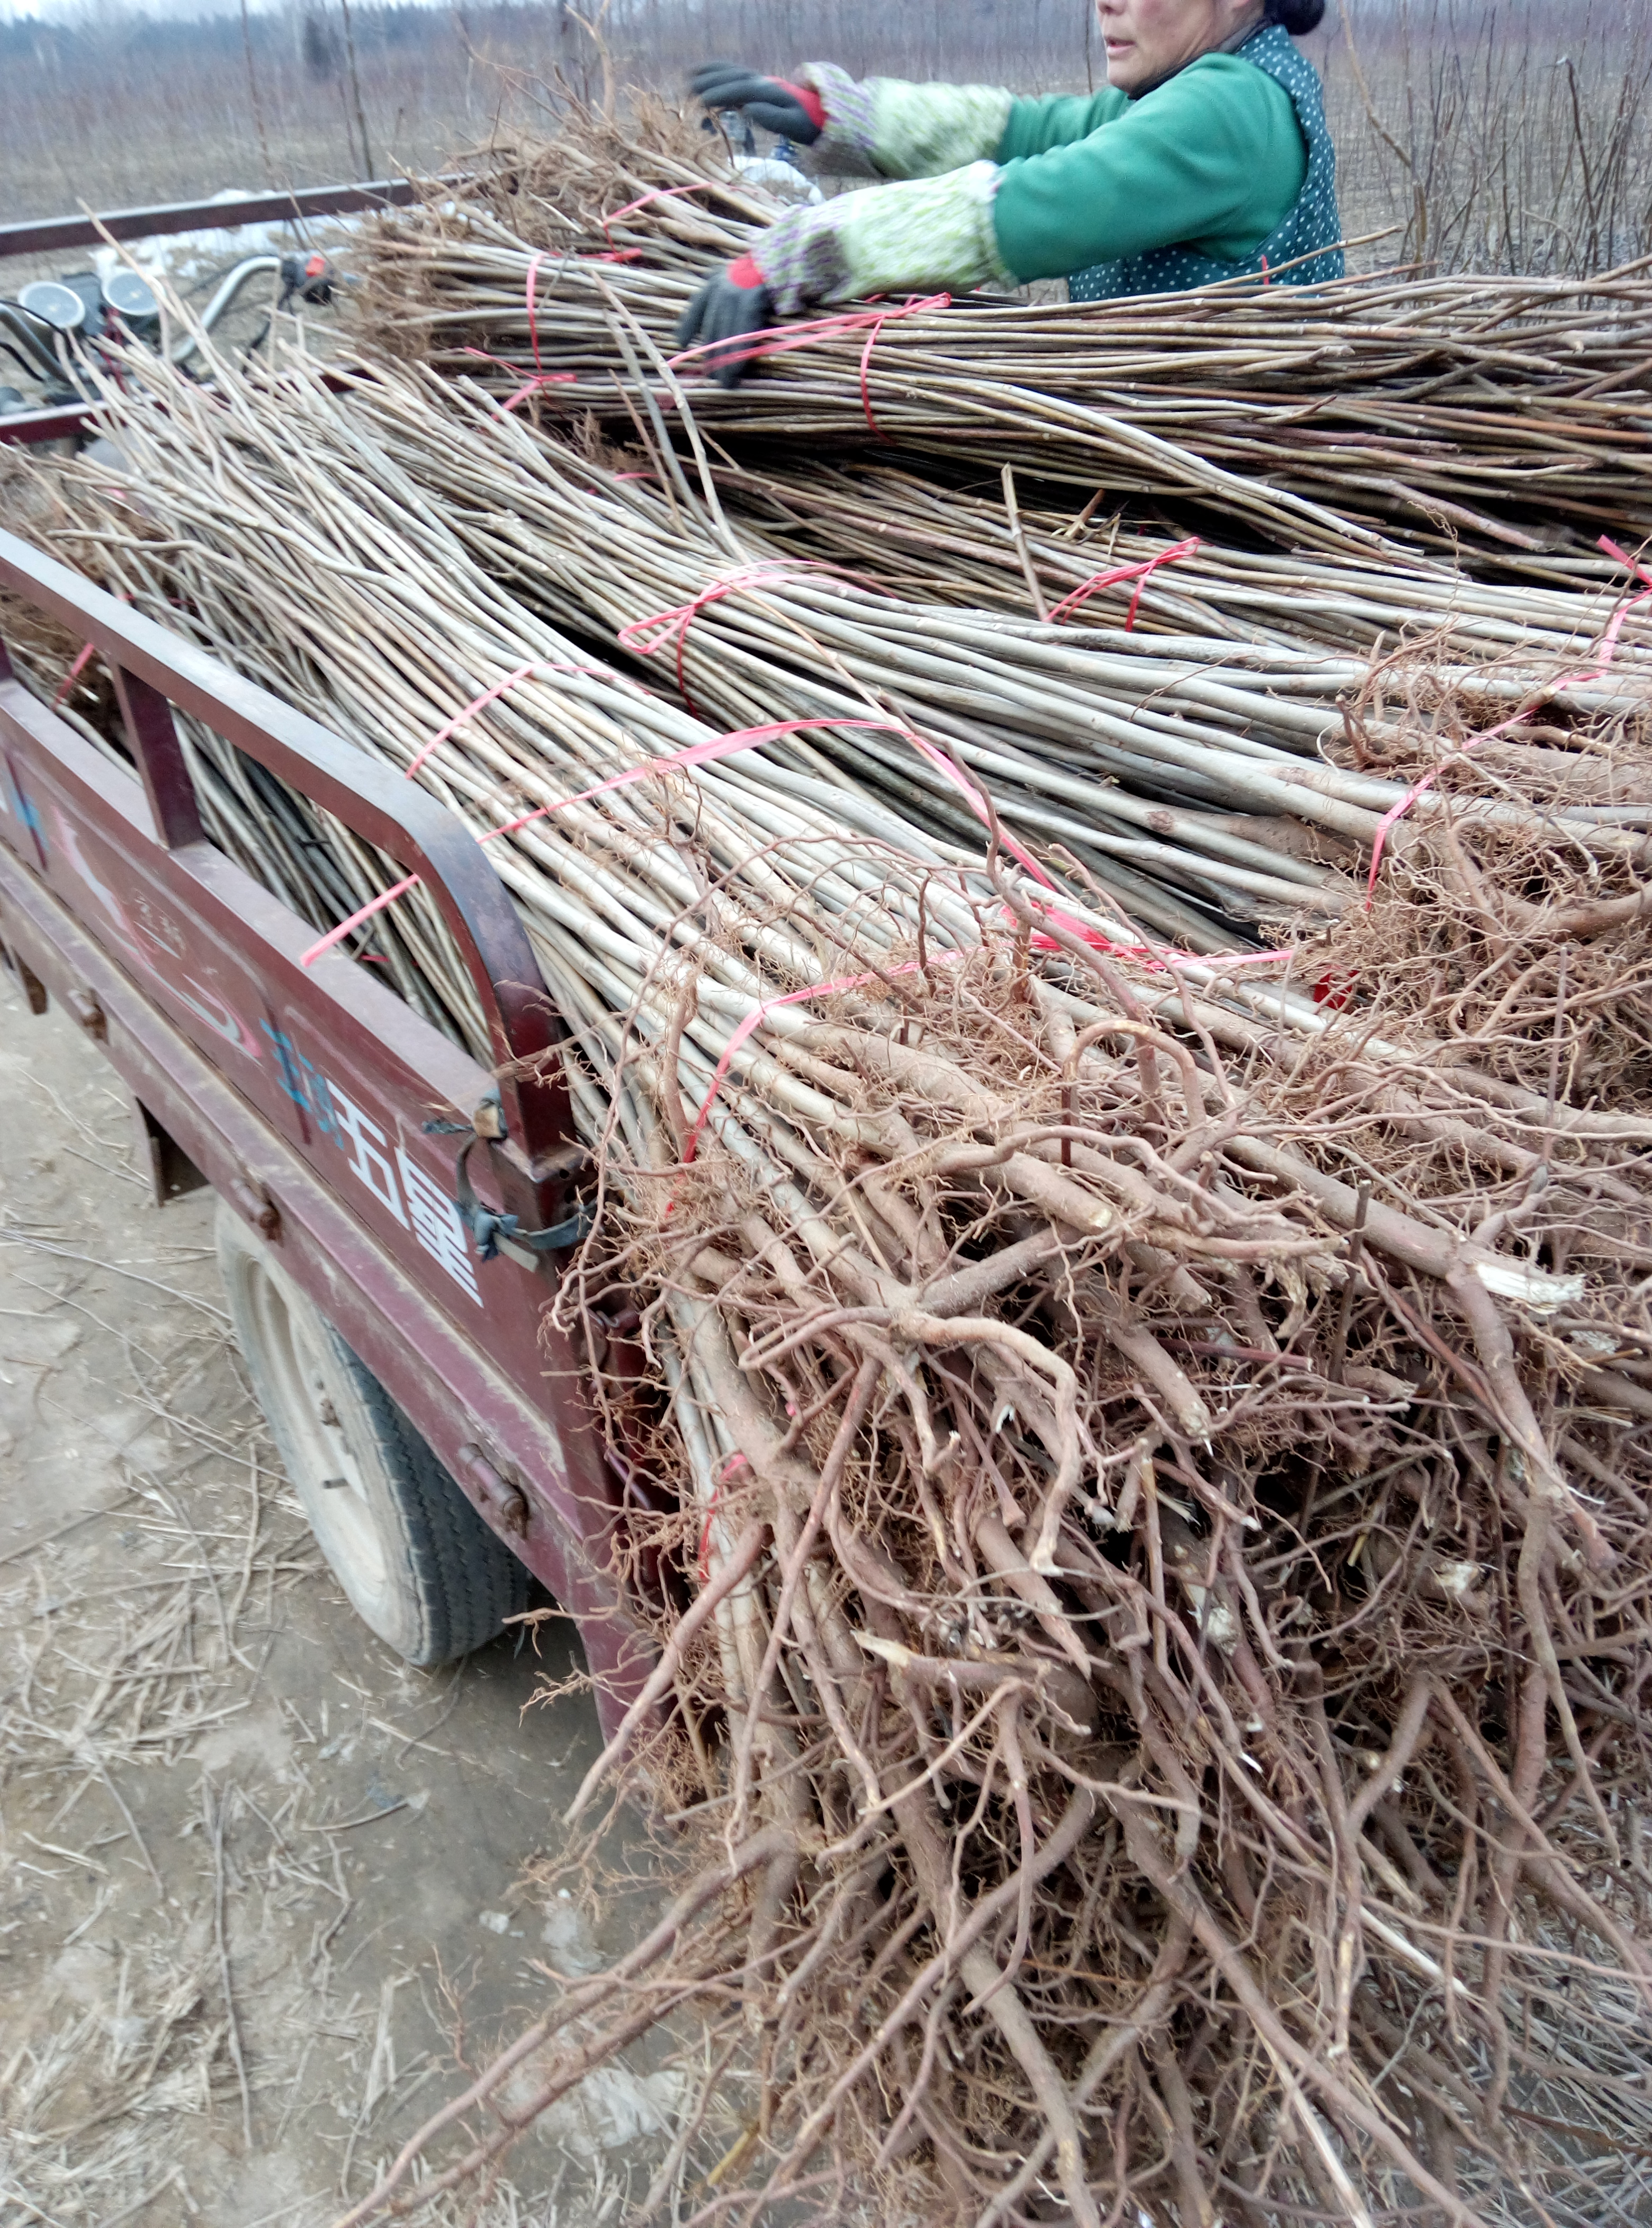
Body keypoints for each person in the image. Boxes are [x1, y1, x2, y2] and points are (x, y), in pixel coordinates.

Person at [678, 0, 1338, 382]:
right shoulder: (1211, 83)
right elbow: (1030, 131)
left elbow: (1035, 205)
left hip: (1205, 498)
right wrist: (846, 116)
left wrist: (794, 254)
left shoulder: (1232, 108)